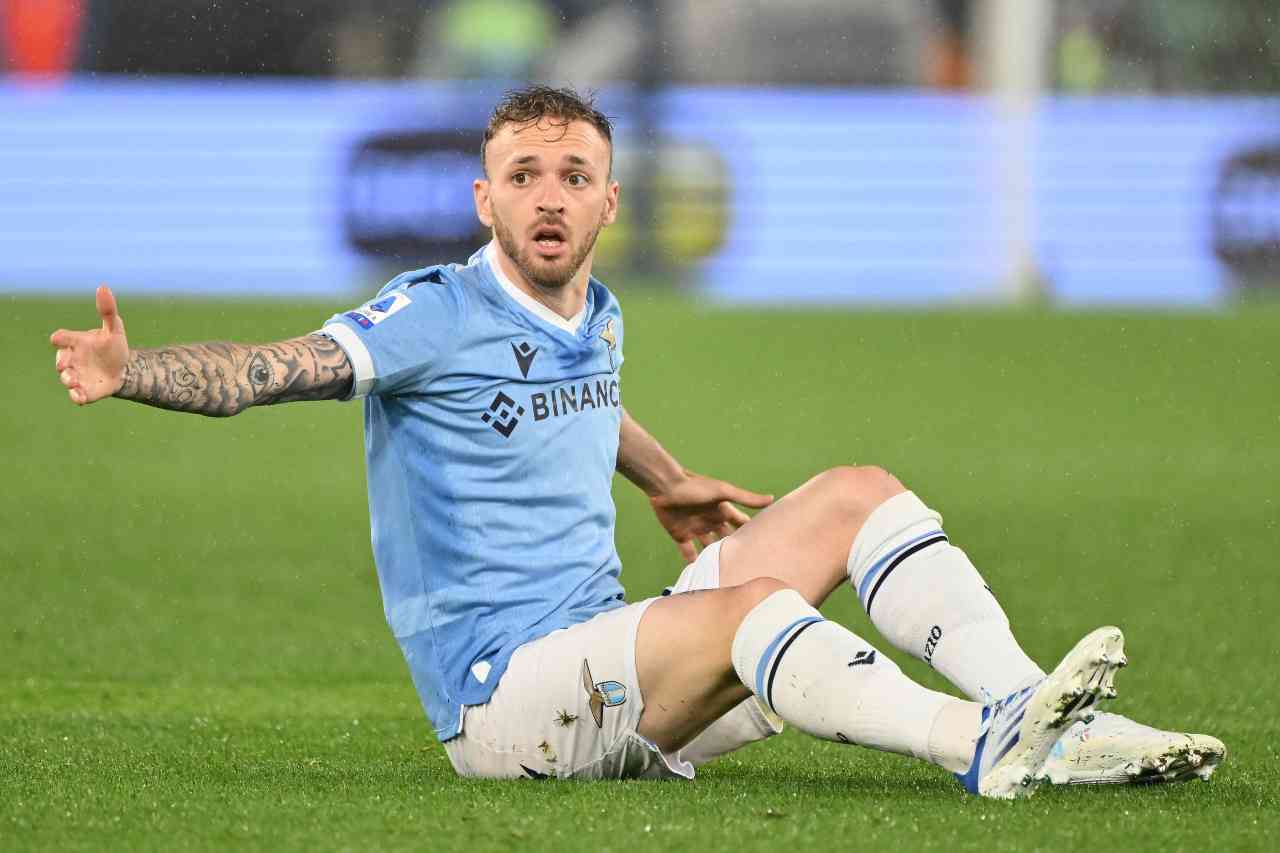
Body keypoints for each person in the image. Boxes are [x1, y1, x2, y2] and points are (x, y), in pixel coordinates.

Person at [49, 85, 1223, 798]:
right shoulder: (432, 313)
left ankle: (1042, 715)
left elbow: (579, 389)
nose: (547, 196)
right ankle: (980, 743)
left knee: (855, 492)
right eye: (522, 176)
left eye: (573, 175)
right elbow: (274, 369)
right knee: (752, 607)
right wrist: (130, 370)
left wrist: (661, 475)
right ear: (482, 201)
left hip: (608, 658)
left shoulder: (594, 314)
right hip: (503, 703)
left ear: (610, 200)